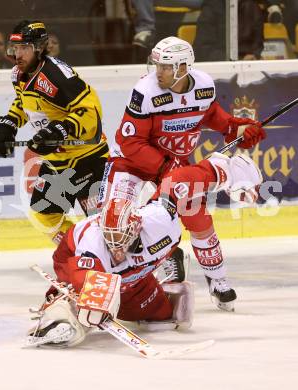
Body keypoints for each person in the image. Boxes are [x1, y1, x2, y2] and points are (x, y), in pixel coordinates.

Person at [98, 36, 266, 311]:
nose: (158, 71)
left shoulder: (202, 85)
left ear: (183, 67)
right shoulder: (146, 90)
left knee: (196, 216)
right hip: (131, 162)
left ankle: (217, 280)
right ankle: (108, 282)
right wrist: (166, 168)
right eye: (157, 65)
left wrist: (238, 129)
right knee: (114, 221)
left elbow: (213, 117)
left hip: (174, 162)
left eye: (165, 66)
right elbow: (130, 142)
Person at [26, 152, 262, 347]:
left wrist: (224, 172)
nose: (116, 249)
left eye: (121, 240)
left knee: (166, 316)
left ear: (135, 228)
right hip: (76, 262)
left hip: (134, 280)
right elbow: (82, 273)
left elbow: (180, 181)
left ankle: (162, 279)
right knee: (80, 316)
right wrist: (93, 302)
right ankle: (60, 311)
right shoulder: (93, 241)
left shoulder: (159, 219)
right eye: (111, 241)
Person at [0, 20, 109, 244]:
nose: (17, 54)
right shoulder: (18, 74)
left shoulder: (57, 76)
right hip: (58, 162)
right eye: (15, 48)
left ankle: (165, 256)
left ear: (39, 48)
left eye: (24, 48)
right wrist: (9, 123)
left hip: (88, 158)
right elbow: (27, 104)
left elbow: (91, 112)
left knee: (107, 224)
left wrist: (61, 129)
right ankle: (80, 252)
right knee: (44, 214)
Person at [193, 0, 265, 61]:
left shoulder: (252, 7)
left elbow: (258, 43)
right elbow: (202, 50)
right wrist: (238, 59)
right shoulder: (211, 8)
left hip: (247, 65)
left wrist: (255, 56)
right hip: (219, 65)